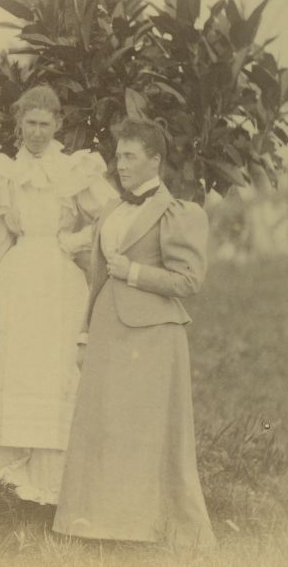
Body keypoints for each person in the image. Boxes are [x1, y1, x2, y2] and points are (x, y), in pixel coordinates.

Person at [53, 118, 215, 548]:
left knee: (145, 432)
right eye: (118, 155)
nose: (120, 164)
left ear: (155, 160)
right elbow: (98, 277)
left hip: (153, 336)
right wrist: (85, 333)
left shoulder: (180, 212)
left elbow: (189, 281)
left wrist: (138, 273)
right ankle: (100, 525)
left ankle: (150, 528)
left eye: (130, 156)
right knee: (104, 425)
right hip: (108, 327)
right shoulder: (111, 209)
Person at [0, 85, 117, 507]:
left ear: (58, 124)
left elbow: (111, 214)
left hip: (59, 280)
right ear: (18, 124)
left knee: (56, 367)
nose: (37, 132)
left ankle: (52, 487)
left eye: (45, 124)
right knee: (16, 364)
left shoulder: (74, 168)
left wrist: (73, 241)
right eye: (30, 124)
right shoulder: (6, 170)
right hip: (17, 277)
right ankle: (7, 481)